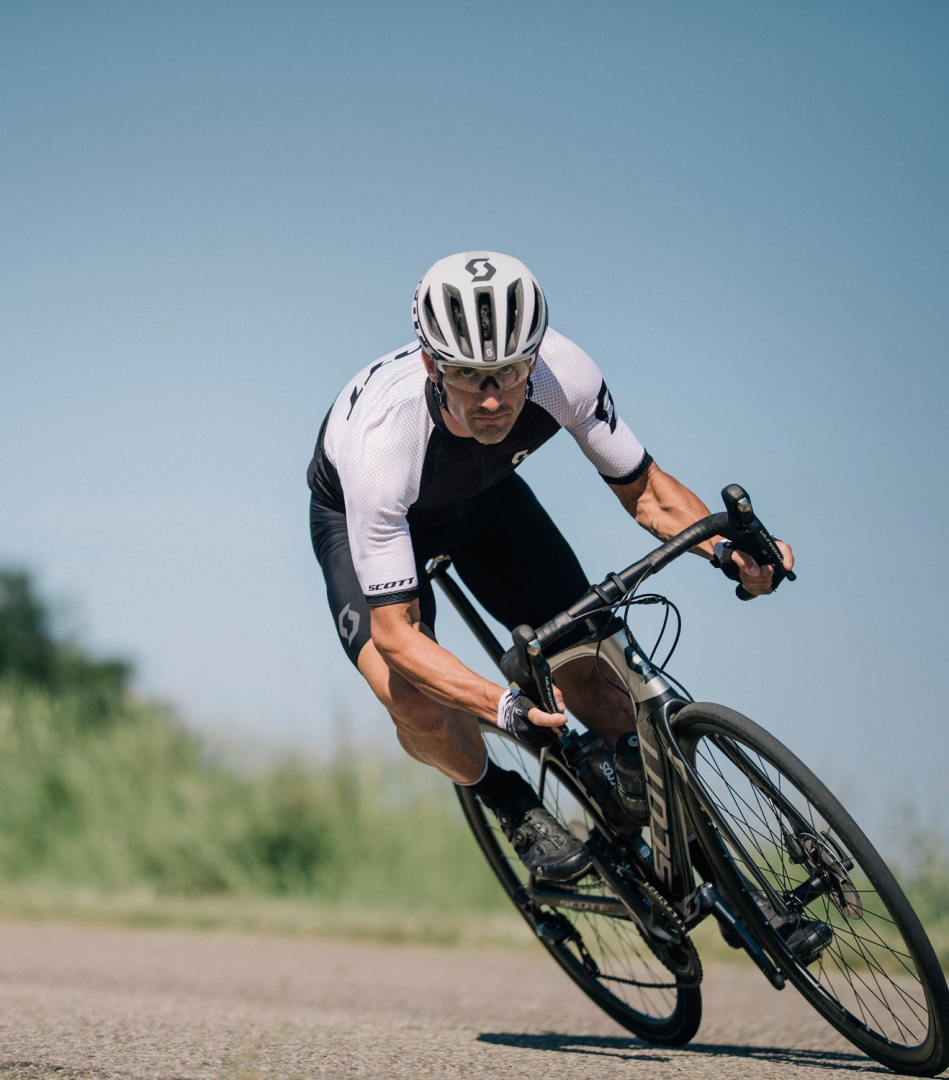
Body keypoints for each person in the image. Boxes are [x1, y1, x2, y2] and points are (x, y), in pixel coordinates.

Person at [307, 251, 793, 882]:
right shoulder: (385, 441)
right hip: (362, 516)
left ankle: (719, 882)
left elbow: (647, 492)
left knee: (598, 678)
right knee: (411, 697)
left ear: (534, 357)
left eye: (509, 373)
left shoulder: (566, 374)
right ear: (431, 364)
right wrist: (501, 705)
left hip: (485, 500)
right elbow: (397, 636)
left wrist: (728, 550)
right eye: (467, 376)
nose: (492, 399)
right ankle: (504, 797)